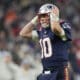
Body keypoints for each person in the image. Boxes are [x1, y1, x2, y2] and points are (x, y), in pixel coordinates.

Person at [19, 3, 72, 80]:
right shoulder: (43, 31)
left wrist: (54, 17)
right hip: (45, 73)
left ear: (52, 15)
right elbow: (23, 33)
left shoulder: (63, 25)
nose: (42, 19)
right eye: (41, 16)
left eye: (44, 15)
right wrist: (35, 20)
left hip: (59, 71)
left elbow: (55, 29)